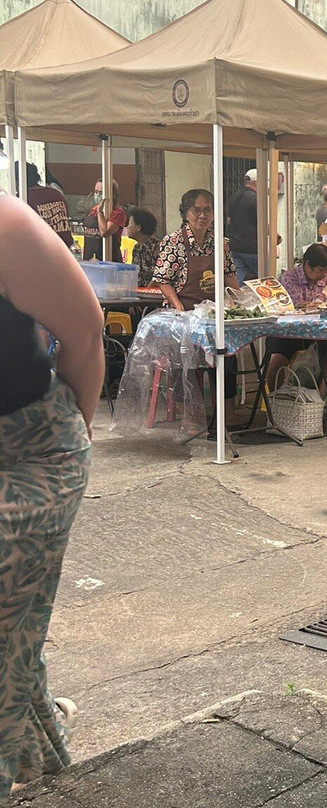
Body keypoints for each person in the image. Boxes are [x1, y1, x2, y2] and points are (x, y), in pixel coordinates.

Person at [0, 192, 103, 800]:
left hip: (30, 454)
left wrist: (80, 432)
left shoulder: (7, 224)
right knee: (15, 638)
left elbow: (86, 335)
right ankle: (39, 750)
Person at [152, 188, 241, 423]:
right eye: (196, 210)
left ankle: (227, 413)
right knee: (185, 360)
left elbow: (230, 276)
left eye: (207, 210)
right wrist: (179, 307)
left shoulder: (220, 243)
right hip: (185, 311)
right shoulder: (173, 242)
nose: (202, 215)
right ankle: (189, 417)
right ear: (186, 213)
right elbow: (162, 279)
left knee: (227, 354)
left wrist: (240, 301)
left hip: (213, 313)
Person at [265, 244, 327, 391]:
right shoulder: (290, 277)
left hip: (318, 333)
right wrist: (316, 305)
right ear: (308, 264)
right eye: (321, 270)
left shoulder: (324, 280)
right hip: (290, 332)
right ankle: (275, 400)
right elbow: (294, 305)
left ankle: (320, 401)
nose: (324, 274)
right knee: (276, 360)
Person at [23, 163, 73, 247]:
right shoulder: (56, 194)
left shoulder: (25, 198)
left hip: (42, 250)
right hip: (64, 248)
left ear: (18, 180)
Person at [228, 168, 259, 281]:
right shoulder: (256, 199)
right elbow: (264, 223)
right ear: (256, 182)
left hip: (236, 246)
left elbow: (229, 221)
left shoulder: (234, 196)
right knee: (266, 278)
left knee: (237, 282)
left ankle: (235, 299)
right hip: (252, 248)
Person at [82, 178, 125, 261]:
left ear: (112, 195)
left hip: (109, 260)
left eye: (101, 193)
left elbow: (104, 232)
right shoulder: (93, 210)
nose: (97, 195)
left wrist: (100, 212)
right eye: (96, 192)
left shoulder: (118, 213)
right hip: (90, 260)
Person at [125, 208, 161, 287]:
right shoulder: (136, 248)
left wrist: (147, 291)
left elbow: (160, 276)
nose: (127, 227)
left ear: (138, 227)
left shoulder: (156, 247)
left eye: (130, 223)